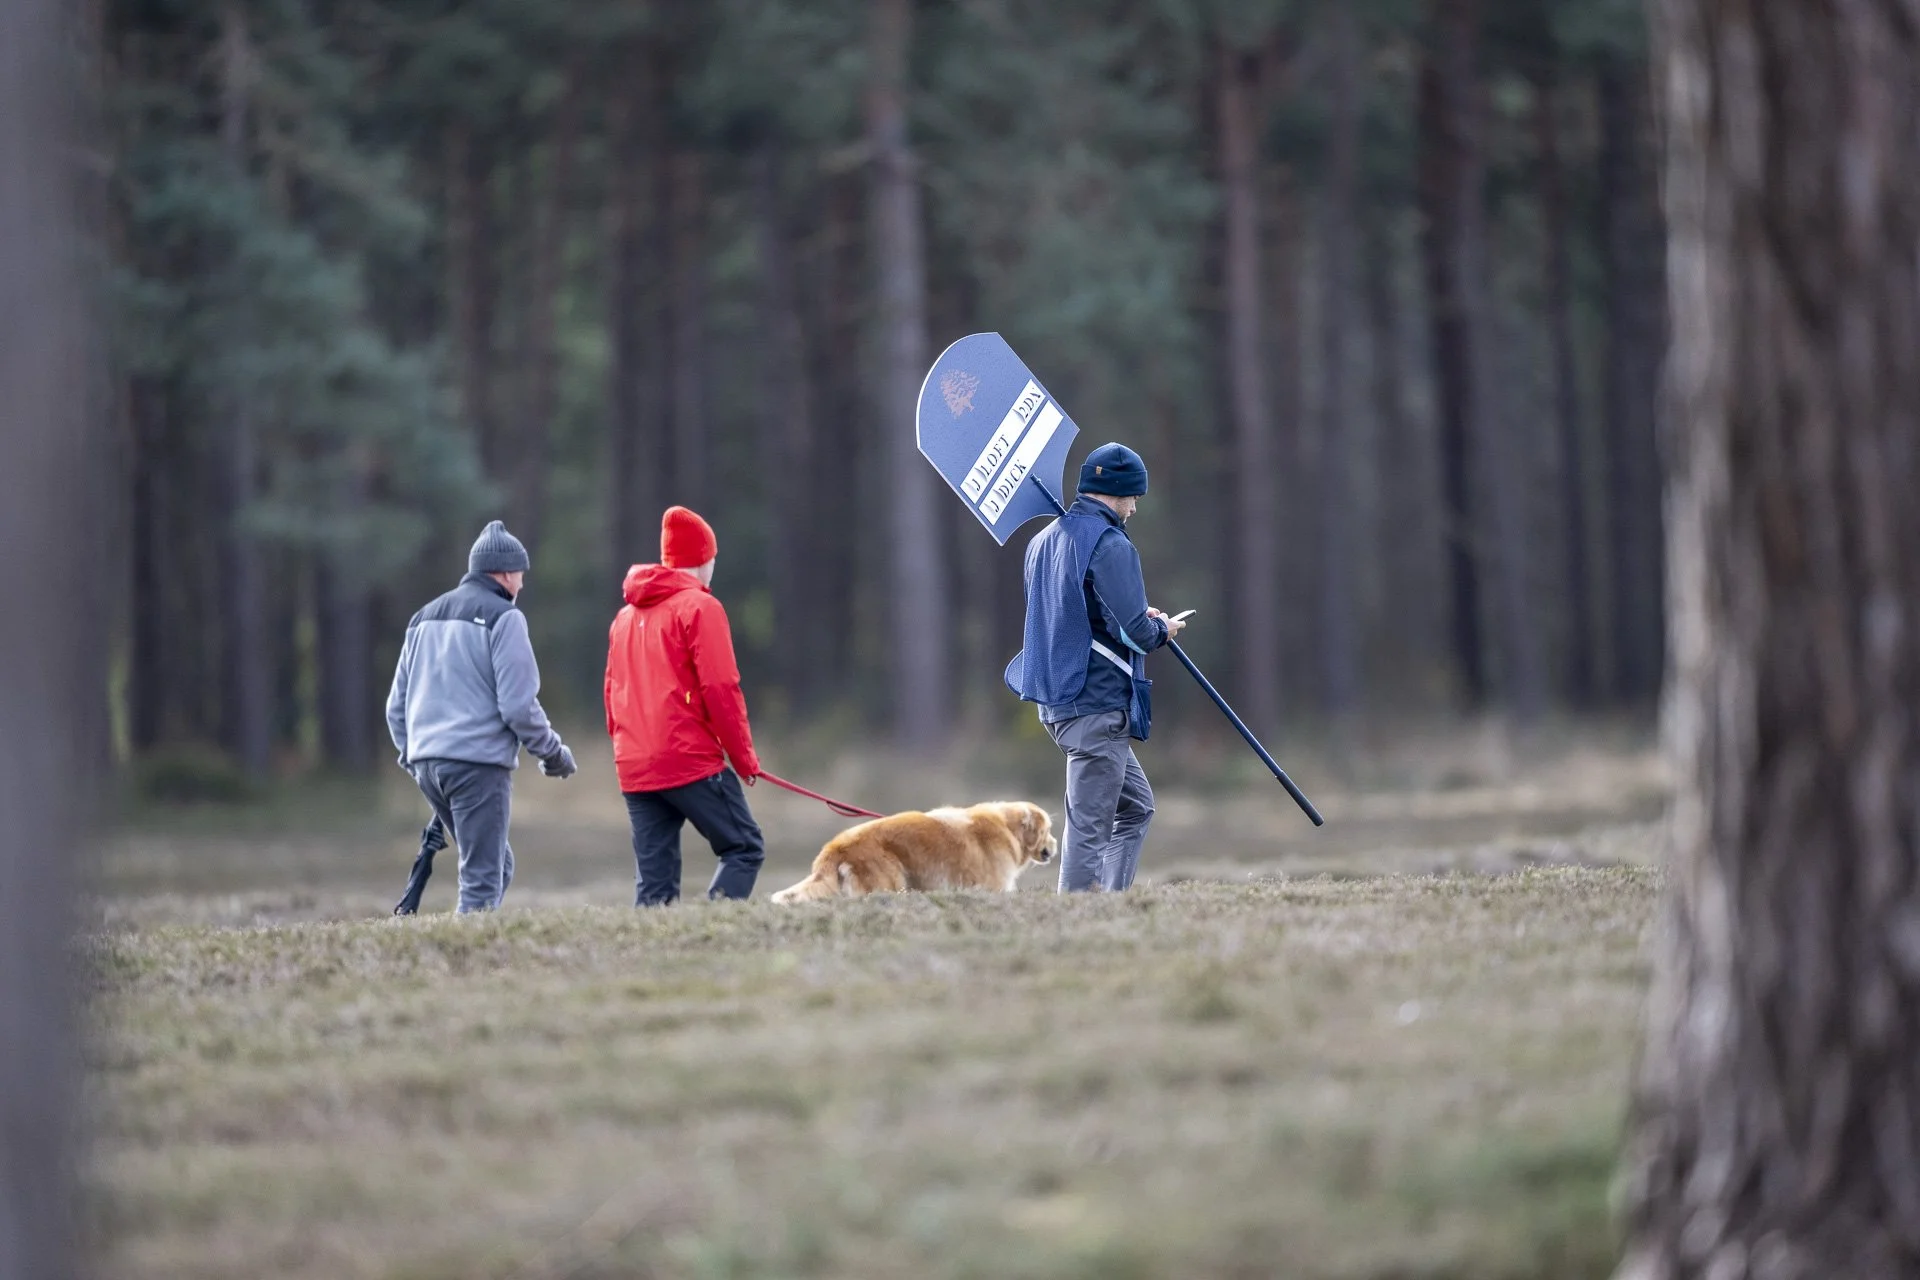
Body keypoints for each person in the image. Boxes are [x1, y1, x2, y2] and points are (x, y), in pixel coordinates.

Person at [1005, 443, 1185, 892]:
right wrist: (1161, 629)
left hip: (1057, 702)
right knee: (1088, 829)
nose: (1136, 507)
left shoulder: (1042, 541)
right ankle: (1080, 920)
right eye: (1133, 496)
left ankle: (1109, 902)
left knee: (1136, 807)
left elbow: (1080, 615)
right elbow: (1135, 633)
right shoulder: (1109, 544)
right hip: (1097, 705)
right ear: (1116, 492)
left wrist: (1138, 618)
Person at [385, 519, 576, 913]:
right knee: (482, 881)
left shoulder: (423, 618)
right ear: (505, 572)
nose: (521, 584)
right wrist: (553, 753)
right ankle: (465, 965)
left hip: (428, 765)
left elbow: (396, 708)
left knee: (497, 865)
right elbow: (519, 706)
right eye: (520, 574)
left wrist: (416, 757)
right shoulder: (504, 617)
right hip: (477, 768)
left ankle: (467, 954)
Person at [604, 506, 766, 906]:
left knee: (654, 889)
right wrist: (744, 760)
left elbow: (612, 693)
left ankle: (652, 959)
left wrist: (627, 749)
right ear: (703, 558)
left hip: (635, 766)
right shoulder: (701, 607)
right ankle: (710, 930)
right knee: (744, 847)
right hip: (688, 759)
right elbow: (721, 689)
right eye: (712, 557)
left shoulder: (624, 617)